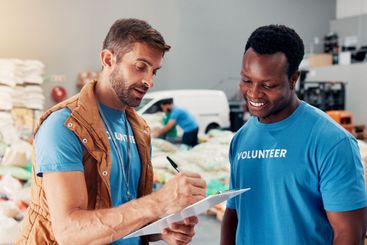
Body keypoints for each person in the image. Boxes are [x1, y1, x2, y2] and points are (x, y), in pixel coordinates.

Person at [16, 18, 206, 245]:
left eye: (154, 71)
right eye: (140, 67)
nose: (148, 81)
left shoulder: (140, 130)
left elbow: (125, 213)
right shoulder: (64, 126)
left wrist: (162, 230)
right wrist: (160, 202)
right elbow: (69, 232)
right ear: (108, 59)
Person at [220, 24, 367, 245]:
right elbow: (233, 214)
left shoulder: (331, 142)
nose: (253, 93)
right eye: (247, 80)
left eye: (268, 85)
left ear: (293, 79)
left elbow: (349, 234)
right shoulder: (241, 139)